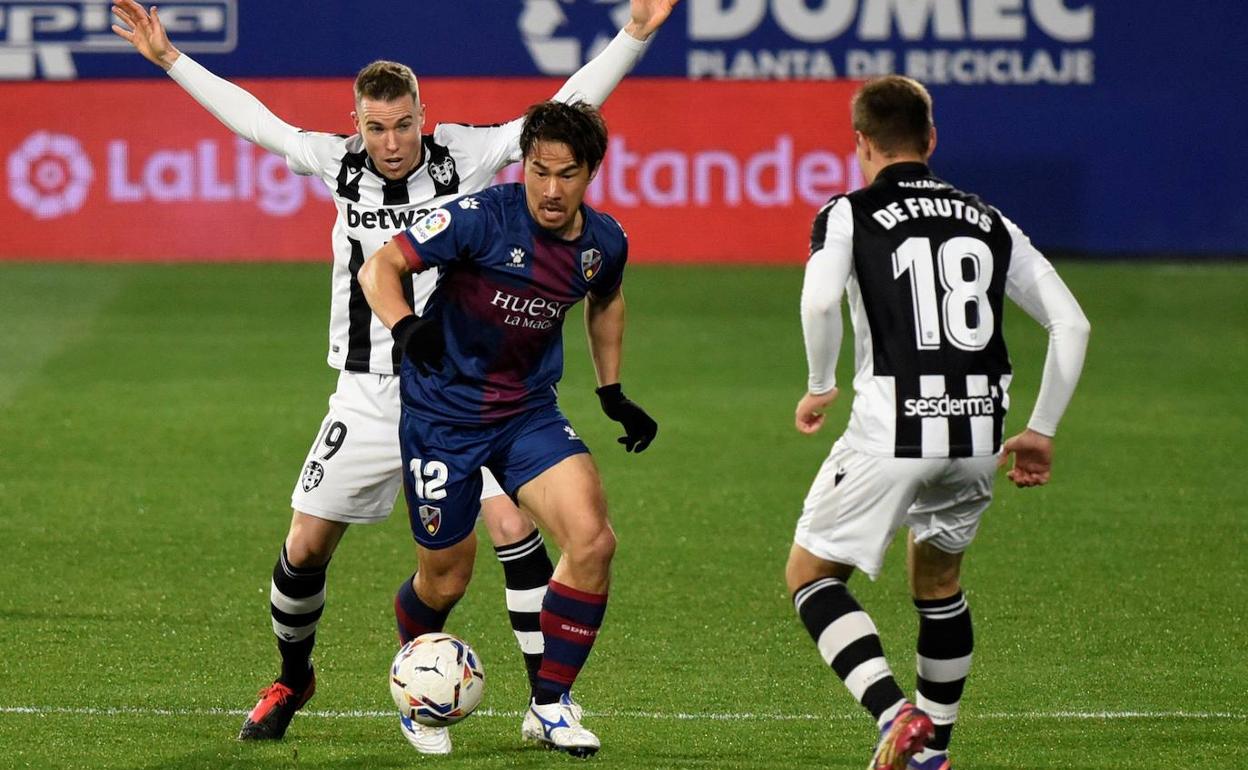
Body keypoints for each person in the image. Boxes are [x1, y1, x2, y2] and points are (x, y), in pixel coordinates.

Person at [108, 0, 677, 754]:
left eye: (404, 124)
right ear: (358, 125)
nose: (391, 142)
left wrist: (632, 37)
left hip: (470, 386)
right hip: (372, 390)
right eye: (376, 127)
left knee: (517, 529)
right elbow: (254, 120)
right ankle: (292, 676)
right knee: (307, 547)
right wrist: (171, 59)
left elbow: (558, 124)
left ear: (422, 117)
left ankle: (549, 703)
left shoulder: (463, 158)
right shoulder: (335, 162)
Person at [786, 75, 1090, 770]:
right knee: (938, 584)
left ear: (860, 142)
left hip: (892, 427)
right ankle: (935, 753)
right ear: (931, 139)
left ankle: (897, 715)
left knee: (811, 575)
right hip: (979, 432)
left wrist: (819, 384)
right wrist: (1040, 429)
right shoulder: (989, 220)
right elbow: (1071, 324)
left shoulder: (847, 213)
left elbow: (819, 301)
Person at [359, 99, 655, 757]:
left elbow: (605, 301)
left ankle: (549, 704)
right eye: (539, 171)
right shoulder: (479, 217)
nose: (551, 190)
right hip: (442, 418)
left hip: (527, 412)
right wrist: (406, 327)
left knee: (593, 541)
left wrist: (612, 391)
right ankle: (418, 686)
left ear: (591, 173)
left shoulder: (604, 242)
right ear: (523, 166)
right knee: (445, 580)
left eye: (567, 174)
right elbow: (379, 266)